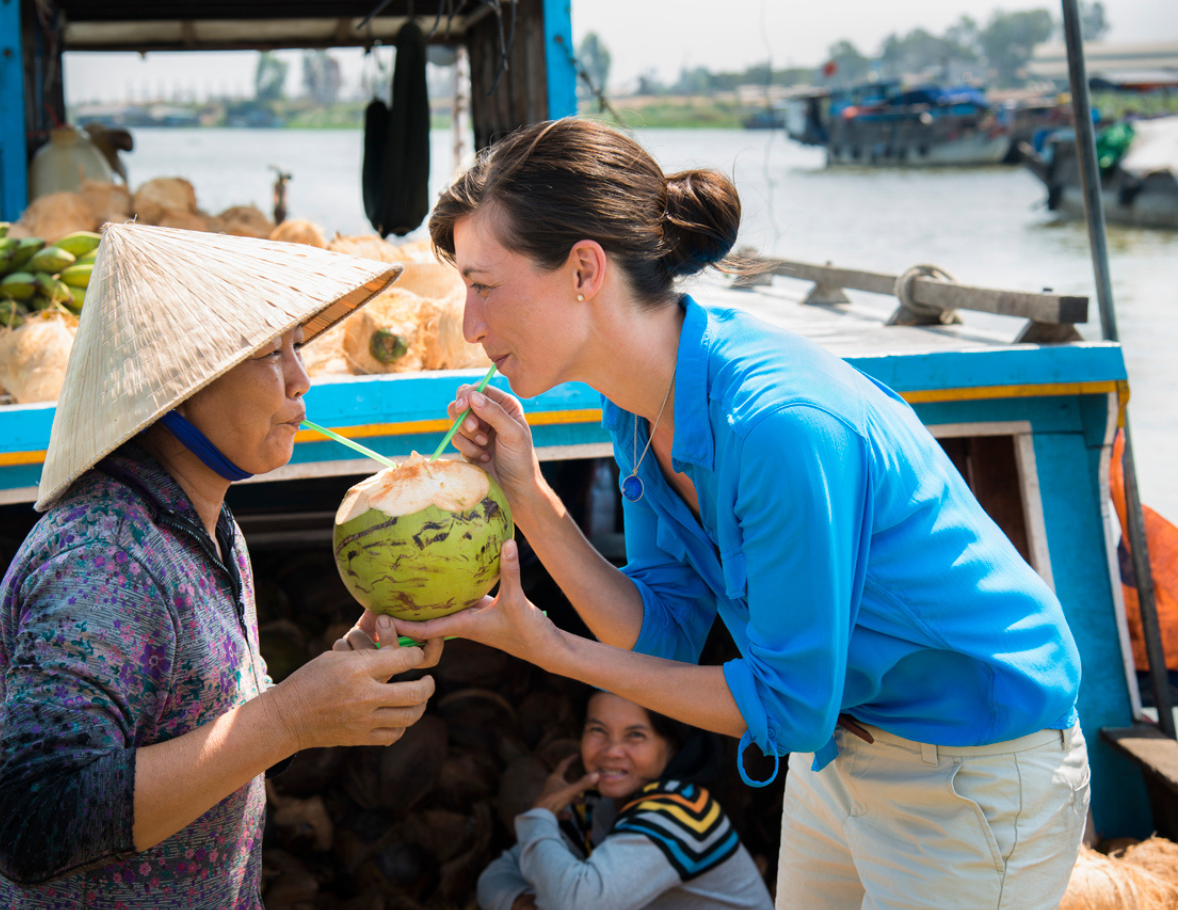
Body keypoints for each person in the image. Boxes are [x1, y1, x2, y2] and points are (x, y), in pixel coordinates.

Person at [373, 118, 1090, 910]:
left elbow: (787, 708)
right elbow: (659, 632)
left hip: (972, 770)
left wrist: (546, 646)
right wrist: (530, 499)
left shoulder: (778, 424)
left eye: (484, 285)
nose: (469, 326)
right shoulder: (638, 407)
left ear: (583, 269)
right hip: (841, 756)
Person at [0, 223, 442, 908]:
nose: (301, 379)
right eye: (270, 353)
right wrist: (289, 719)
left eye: (297, 348)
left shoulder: (203, 525)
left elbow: (202, 727)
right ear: (177, 386)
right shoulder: (102, 561)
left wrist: (336, 681)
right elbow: (35, 823)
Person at [477, 690, 774, 910]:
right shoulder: (595, 809)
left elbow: (577, 903)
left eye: (635, 735)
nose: (612, 750)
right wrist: (521, 903)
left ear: (671, 747)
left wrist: (540, 814)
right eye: (597, 730)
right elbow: (497, 874)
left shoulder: (682, 810)